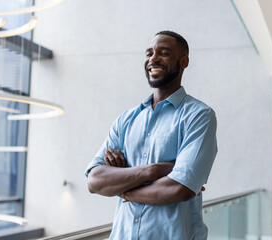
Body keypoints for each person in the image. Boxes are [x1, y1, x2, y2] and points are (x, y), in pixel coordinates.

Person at [85, 30, 217, 240]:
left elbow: (179, 188)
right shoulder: (126, 120)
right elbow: (95, 181)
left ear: (184, 62)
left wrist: (123, 190)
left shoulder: (199, 116)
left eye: (163, 52)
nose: (153, 59)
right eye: (149, 53)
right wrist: (154, 170)